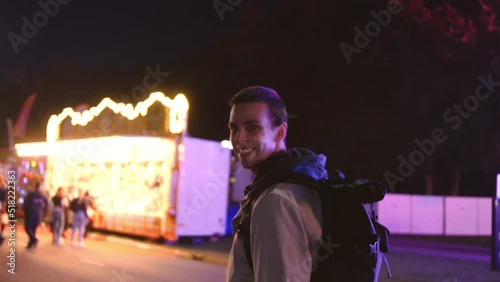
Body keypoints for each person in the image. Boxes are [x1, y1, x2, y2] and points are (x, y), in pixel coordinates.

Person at [225, 86, 328, 282]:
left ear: (280, 132)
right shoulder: (297, 184)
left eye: (252, 127)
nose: (239, 138)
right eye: (234, 128)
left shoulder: (275, 201)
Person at [23, 182, 48, 249]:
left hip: (31, 213)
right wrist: (43, 212)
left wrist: (25, 211)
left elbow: (26, 203)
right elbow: (46, 206)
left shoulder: (31, 194)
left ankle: (33, 240)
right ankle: (31, 243)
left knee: (28, 227)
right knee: (33, 229)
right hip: (38, 214)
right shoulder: (43, 196)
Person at [0, 177, 7, 246]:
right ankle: (1, 233)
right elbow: (3, 200)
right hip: (1, 207)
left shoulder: (3, 189)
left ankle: (1, 233)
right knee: (2, 221)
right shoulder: (3, 189)